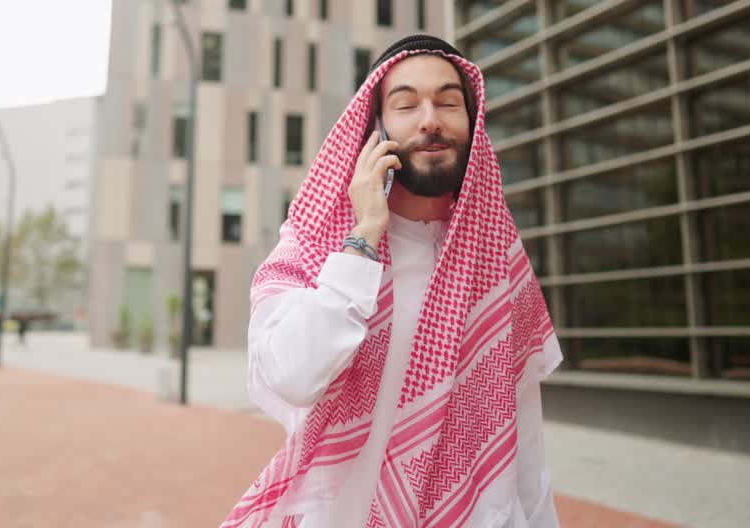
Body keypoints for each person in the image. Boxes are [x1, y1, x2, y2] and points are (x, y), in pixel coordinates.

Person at [223, 35, 562, 528]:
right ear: (375, 129)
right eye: (406, 105)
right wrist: (363, 237)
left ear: (472, 125)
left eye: (449, 103)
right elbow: (290, 375)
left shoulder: (497, 264)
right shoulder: (314, 245)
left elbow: (524, 442)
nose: (430, 120)